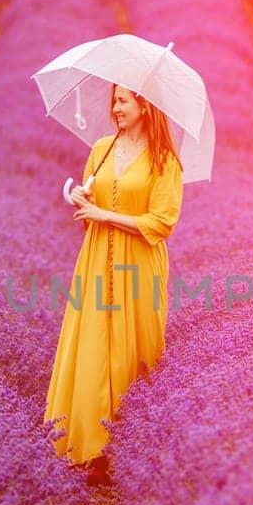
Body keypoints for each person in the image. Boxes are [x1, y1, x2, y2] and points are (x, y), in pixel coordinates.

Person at [44, 83, 185, 466]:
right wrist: (83, 201)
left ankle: (132, 451)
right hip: (95, 260)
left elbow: (161, 223)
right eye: (114, 102)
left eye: (122, 101)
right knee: (93, 345)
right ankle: (90, 448)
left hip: (138, 265)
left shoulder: (165, 162)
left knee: (134, 349)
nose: (115, 109)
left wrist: (104, 215)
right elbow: (90, 214)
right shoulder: (101, 150)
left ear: (144, 104)